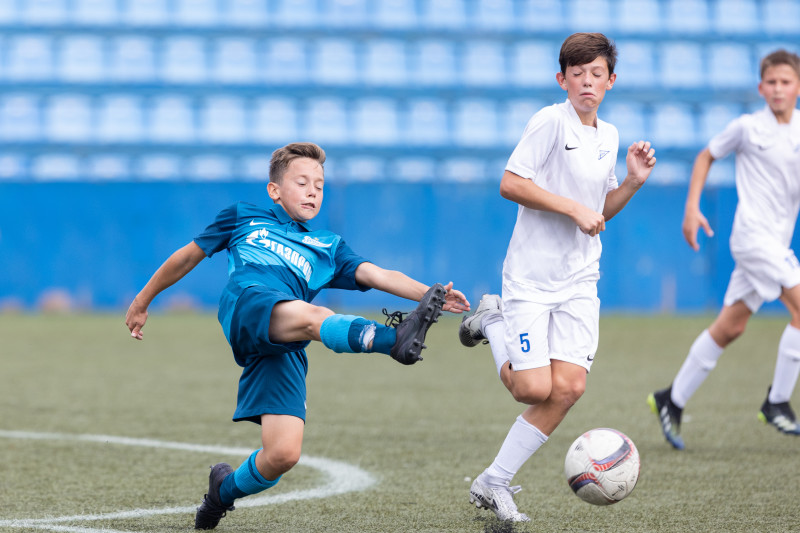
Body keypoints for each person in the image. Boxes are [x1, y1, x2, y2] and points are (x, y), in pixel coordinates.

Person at [125, 142, 470, 530]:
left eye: (319, 186)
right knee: (316, 315)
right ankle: (393, 341)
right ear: (274, 190)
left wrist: (431, 294)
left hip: (286, 335)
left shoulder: (328, 246)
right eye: (302, 182)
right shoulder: (243, 216)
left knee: (282, 454)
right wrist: (142, 299)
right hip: (248, 303)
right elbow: (187, 255)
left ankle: (220, 492)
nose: (312, 191)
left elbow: (378, 274)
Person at [458, 33, 656, 522]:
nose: (586, 82)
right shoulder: (550, 120)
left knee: (567, 388)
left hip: (580, 279)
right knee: (530, 389)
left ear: (611, 81)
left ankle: (494, 481)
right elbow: (511, 183)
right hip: (530, 277)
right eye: (577, 73)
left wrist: (630, 181)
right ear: (561, 79)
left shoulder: (608, 136)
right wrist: (571, 208)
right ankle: (493, 321)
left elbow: (599, 211)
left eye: (596, 74)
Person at [648, 49, 800, 451]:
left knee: (731, 326)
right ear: (760, 87)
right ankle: (778, 401)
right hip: (752, 238)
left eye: (786, 82)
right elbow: (705, 156)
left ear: (797, 86)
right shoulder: (748, 127)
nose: (779, 89)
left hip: (775, 243)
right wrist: (692, 208)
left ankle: (671, 399)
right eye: (772, 82)